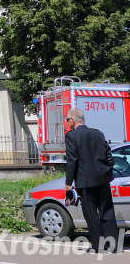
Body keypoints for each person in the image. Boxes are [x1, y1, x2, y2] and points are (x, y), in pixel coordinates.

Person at [64, 108, 119, 253]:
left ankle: (99, 245)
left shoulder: (71, 136)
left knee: (91, 214)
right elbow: (109, 155)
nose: (67, 123)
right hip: (103, 179)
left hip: (85, 181)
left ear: (73, 120)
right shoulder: (98, 133)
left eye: (67, 120)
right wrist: (107, 170)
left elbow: (72, 161)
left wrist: (68, 183)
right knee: (107, 211)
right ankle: (112, 245)